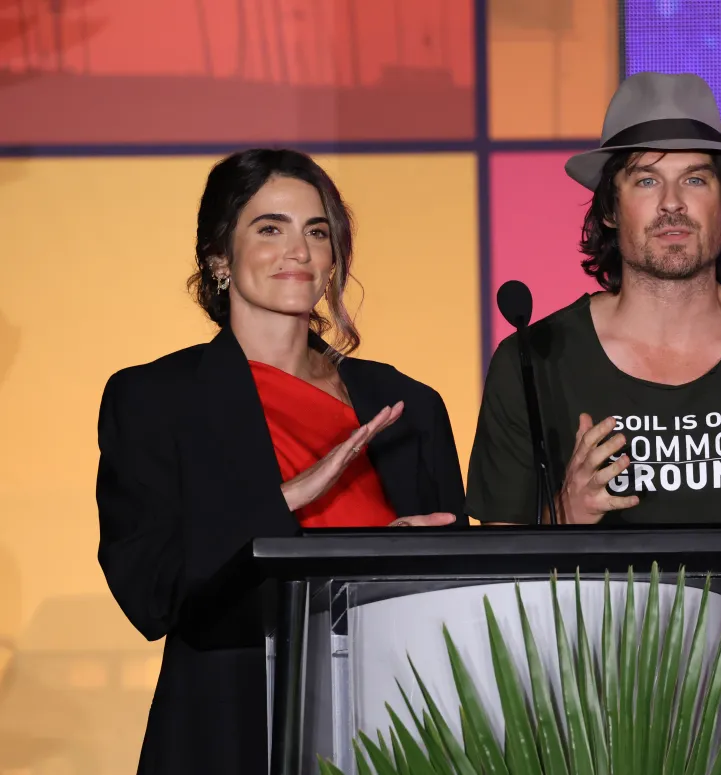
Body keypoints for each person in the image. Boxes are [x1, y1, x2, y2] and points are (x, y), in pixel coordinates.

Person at [465, 73, 721, 772]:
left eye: (696, 180)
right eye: (646, 181)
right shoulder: (535, 360)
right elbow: (494, 602)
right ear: (606, 210)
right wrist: (561, 516)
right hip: (584, 741)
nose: (673, 206)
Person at [96, 149, 465, 774]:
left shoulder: (407, 404)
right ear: (219, 255)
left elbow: (455, 586)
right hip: (231, 725)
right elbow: (149, 594)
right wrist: (286, 499)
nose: (298, 250)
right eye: (270, 228)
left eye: (316, 232)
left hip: (392, 717)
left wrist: (394, 566)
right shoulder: (154, 399)